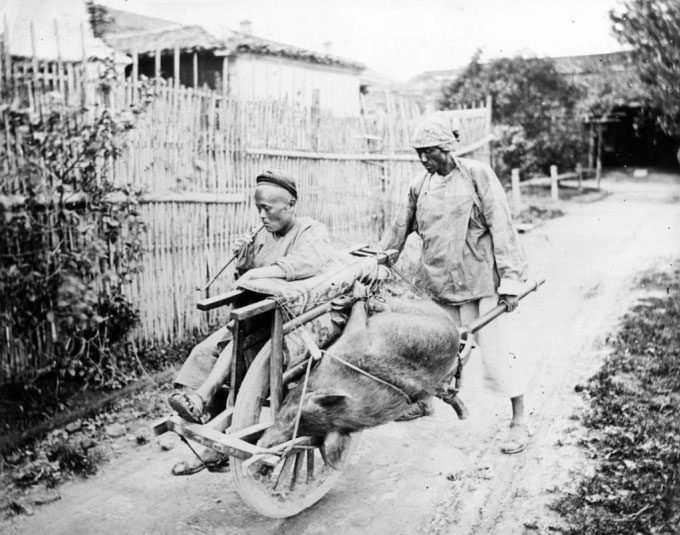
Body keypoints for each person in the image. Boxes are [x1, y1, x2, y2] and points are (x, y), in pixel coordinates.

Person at [380, 112, 532, 454]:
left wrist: (510, 279)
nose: (423, 159)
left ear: (447, 148)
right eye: (418, 152)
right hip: (438, 282)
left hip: (481, 282)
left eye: (429, 151)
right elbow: (397, 231)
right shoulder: (419, 185)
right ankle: (421, 401)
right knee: (432, 349)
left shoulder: (477, 176)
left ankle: (520, 420)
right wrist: (379, 263)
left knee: (499, 352)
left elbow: (502, 226)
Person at [168, 170, 338, 474]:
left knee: (237, 348)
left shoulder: (310, 231)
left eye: (268, 209)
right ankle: (208, 425)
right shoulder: (260, 235)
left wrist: (260, 272)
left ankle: (204, 399)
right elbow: (246, 289)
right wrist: (244, 266)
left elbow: (310, 261)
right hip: (255, 318)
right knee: (203, 352)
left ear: (291, 204)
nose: (261, 215)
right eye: (258, 208)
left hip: (292, 322)